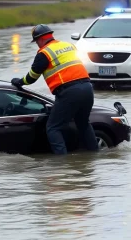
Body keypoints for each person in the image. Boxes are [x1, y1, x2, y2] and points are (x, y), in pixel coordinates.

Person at [11, 24, 98, 155]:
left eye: (36, 42)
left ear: (39, 40)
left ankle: (61, 163)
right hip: (87, 88)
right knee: (83, 123)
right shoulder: (68, 45)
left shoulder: (44, 53)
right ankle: (95, 153)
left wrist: (19, 81)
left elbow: (32, 77)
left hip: (69, 91)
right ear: (50, 35)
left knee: (53, 127)